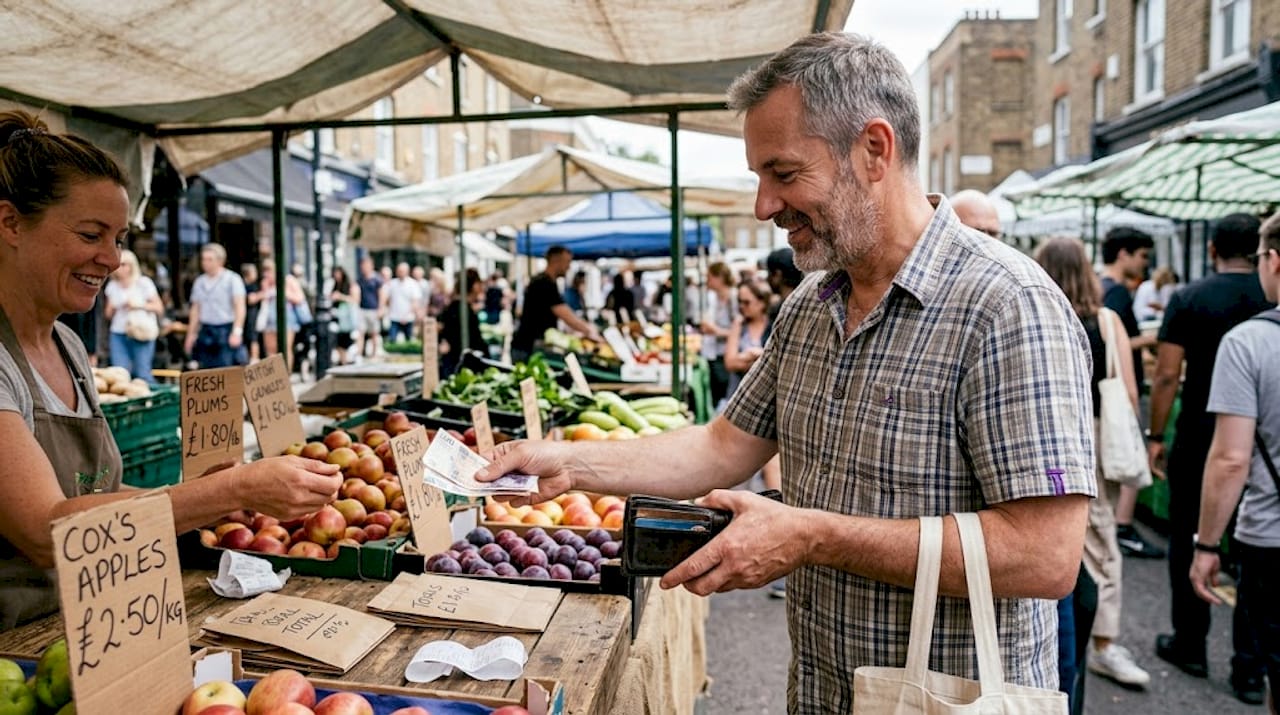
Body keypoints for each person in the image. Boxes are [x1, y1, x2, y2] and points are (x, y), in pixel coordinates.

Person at [478, 33, 1093, 713]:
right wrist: (566, 464)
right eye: (759, 179)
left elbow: (1045, 554)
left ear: (874, 149)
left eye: (785, 172)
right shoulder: (810, 305)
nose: (764, 206)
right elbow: (721, 447)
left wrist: (811, 534)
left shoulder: (1008, 305)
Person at [0, 111, 342, 631]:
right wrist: (232, 492)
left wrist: (207, 504)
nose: (113, 259)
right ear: (10, 224)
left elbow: (90, 504)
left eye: (118, 238)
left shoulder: (67, 344)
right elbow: (47, 531)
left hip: (87, 626)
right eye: (92, 234)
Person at [1148, 213, 1272, 702]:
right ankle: (1249, 666)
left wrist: (1156, 433)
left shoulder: (1189, 297)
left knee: (1190, 536)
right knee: (1253, 550)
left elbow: (1165, 374)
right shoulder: (1270, 298)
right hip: (1264, 439)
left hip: (1203, 433)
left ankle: (1191, 643)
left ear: (1214, 246)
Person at [1035, 237, 1151, 691]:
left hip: (1053, 430)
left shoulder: (1040, 313)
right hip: (1099, 435)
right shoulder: (1107, 321)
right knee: (1101, 537)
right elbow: (1129, 390)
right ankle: (1104, 641)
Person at [1189, 214, 1280, 714]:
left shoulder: (1250, 342)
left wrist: (1206, 545)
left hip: (1271, 538)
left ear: (1273, 260)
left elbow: (1230, 459)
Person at [1098, 228, 1164, 559]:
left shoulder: (1102, 288)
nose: (1145, 264)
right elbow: (1113, 337)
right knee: (1125, 460)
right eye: (1142, 256)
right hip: (1119, 390)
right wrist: (1153, 339)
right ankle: (1122, 525)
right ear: (1123, 254)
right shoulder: (1117, 294)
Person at [510, 246, 599, 360]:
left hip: (532, 345)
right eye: (567, 262)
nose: (568, 267)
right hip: (528, 347)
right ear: (556, 260)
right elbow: (565, 314)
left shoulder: (547, 281)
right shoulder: (543, 283)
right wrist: (589, 331)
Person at [102, 249, 163, 383]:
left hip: (140, 331)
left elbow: (159, 307)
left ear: (132, 266)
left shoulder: (143, 283)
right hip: (118, 332)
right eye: (118, 265)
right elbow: (108, 315)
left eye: (124, 264)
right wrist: (113, 307)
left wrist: (138, 305)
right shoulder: (112, 286)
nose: (120, 269)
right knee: (120, 373)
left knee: (142, 372)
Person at [184, 243, 246, 368]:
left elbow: (239, 306)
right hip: (206, 329)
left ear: (220, 261)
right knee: (206, 368)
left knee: (225, 368)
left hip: (225, 328)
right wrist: (191, 333)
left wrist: (237, 331)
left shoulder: (232, 279)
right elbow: (195, 309)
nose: (205, 263)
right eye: (203, 259)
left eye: (210, 259)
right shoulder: (200, 282)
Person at [699, 261, 736, 407]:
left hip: (725, 355)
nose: (707, 281)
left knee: (724, 396)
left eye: (709, 277)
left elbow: (738, 332)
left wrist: (715, 331)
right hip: (714, 354)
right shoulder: (714, 299)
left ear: (719, 278)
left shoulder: (733, 299)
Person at [438, 269, 485, 377]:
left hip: (455, 363)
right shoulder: (463, 310)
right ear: (474, 286)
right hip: (460, 365)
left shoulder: (453, 307)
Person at [383, 262, 423, 344]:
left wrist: (406, 315)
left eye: (402, 271)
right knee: (392, 340)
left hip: (408, 318)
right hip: (394, 317)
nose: (400, 273)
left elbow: (415, 302)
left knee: (409, 340)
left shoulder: (413, 284)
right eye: (399, 271)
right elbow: (387, 298)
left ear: (407, 271)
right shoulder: (392, 283)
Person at [329, 265, 359, 366]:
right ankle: (343, 361)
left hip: (347, 319)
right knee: (337, 341)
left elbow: (355, 300)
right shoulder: (335, 285)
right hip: (337, 318)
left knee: (347, 341)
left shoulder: (351, 285)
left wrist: (340, 297)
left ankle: (347, 361)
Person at [355, 257, 384, 359]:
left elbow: (381, 294)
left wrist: (381, 308)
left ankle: (374, 354)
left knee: (374, 333)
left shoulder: (377, 279)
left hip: (373, 309)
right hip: (362, 309)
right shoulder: (360, 279)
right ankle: (359, 353)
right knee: (361, 332)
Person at [241, 263, 263, 362]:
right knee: (251, 337)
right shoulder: (247, 286)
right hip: (249, 315)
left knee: (252, 336)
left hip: (251, 314)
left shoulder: (255, 285)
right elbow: (251, 299)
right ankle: (252, 358)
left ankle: (253, 358)